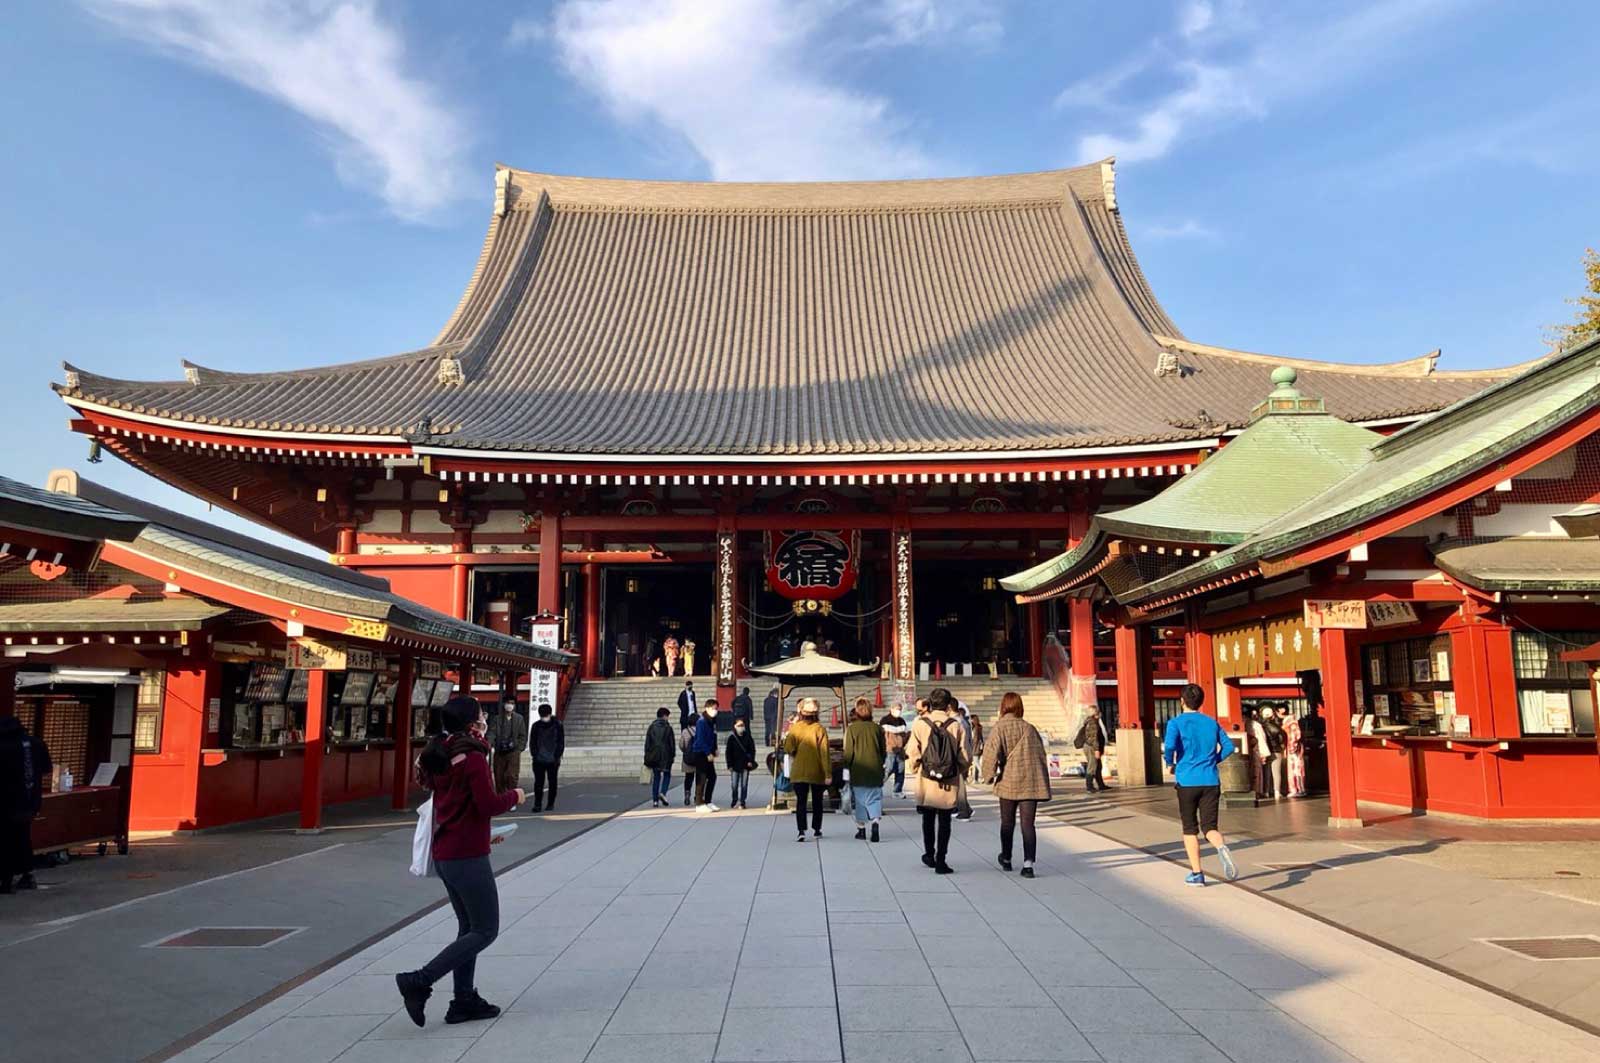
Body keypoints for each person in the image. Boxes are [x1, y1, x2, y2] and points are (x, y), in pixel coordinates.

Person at [396, 696, 522, 1027]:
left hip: (449, 852)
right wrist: (515, 797)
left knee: (468, 928)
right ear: (471, 722)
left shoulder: (440, 752)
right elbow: (487, 804)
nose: (485, 718)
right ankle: (420, 980)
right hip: (468, 855)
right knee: (485, 929)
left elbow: (458, 804)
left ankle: (463, 1000)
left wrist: (485, 833)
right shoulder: (473, 757)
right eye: (481, 715)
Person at [1162, 683, 1239, 887]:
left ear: (1182, 701)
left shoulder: (1175, 723)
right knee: (1209, 827)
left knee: (1189, 829)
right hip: (1211, 780)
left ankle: (1197, 874)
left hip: (1187, 780)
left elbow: (1169, 746)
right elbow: (1230, 747)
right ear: (1201, 702)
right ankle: (1220, 845)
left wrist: (1170, 763)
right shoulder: (1211, 723)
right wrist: (1213, 759)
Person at [982, 692, 1051, 878]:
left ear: (1003, 707)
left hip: (1008, 781)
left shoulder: (999, 728)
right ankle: (1028, 864)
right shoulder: (1030, 728)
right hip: (1030, 781)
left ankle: (1006, 858)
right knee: (1028, 825)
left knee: (1007, 823)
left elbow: (990, 754)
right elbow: (1040, 755)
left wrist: (987, 776)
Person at [906, 687, 968, 873]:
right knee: (945, 820)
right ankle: (941, 859)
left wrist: (915, 767)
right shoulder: (956, 725)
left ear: (930, 704)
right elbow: (965, 754)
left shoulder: (920, 723)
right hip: (948, 779)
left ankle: (929, 854)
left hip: (926, 778)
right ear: (949, 704)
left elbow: (912, 751)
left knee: (928, 818)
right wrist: (958, 770)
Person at [0, 715, 50, 893]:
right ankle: (27, 875)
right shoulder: (36, 744)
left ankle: (6, 879)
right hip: (29, 800)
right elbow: (46, 770)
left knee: (5, 840)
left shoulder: (4, 747)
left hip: (6, 802)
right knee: (22, 836)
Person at [782, 697, 830, 841]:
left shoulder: (795, 728)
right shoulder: (819, 729)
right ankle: (817, 829)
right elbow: (824, 752)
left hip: (799, 770)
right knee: (817, 801)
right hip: (816, 771)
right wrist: (828, 773)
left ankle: (801, 831)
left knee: (801, 802)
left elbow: (788, 748)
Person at [842, 697, 886, 842]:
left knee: (860, 800)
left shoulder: (852, 729)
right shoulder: (877, 728)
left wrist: (846, 770)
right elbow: (883, 750)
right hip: (875, 768)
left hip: (858, 769)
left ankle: (861, 829)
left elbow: (848, 752)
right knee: (874, 799)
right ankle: (875, 822)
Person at [527, 703, 564, 812]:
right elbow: (532, 742)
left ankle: (550, 803)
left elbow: (561, 742)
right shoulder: (536, 726)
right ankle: (538, 804)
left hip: (552, 759)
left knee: (552, 782)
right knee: (539, 783)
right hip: (539, 759)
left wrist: (557, 755)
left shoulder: (558, 725)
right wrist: (535, 754)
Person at [488, 700, 526, 794]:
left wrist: (519, 748)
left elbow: (522, 735)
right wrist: (489, 743)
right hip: (500, 750)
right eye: (508, 703)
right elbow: (492, 733)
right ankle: (501, 797)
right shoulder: (497, 719)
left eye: (512, 703)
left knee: (512, 775)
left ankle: (511, 796)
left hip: (514, 751)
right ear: (504, 705)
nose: (509, 705)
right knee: (499, 775)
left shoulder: (519, 718)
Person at [691, 699, 720, 811]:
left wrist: (715, 749)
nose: (715, 711)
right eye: (713, 708)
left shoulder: (712, 721)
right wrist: (708, 753)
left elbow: (713, 736)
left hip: (709, 752)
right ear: (707, 708)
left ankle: (708, 801)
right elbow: (700, 739)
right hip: (700, 753)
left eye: (716, 708)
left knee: (712, 777)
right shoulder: (701, 721)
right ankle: (699, 803)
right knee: (701, 778)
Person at [644, 706, 676, 808]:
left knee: (656, 777)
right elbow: (672, 743)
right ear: (664, 716)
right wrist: (673, 755)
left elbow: (647, 743)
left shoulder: (652, 727)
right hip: (666, 755)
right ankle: (663, 792)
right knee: (667, 775)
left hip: (654, 755)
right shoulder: (668, 728)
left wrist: (647, 755)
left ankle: (655, 801)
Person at [1074, 705, 1109, 793]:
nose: (1101, 713)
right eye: (1099, 711)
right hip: (1091, 747)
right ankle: (1089, 786)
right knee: (1092, 766)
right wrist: (1097, 749)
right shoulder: (1093, 722)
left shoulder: (1093, 721)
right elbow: (1093, 737)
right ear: (1096, 713)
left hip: (1091, 746)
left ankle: (1101, 784)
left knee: (1098, 766)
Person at [725, 714, 758, 809]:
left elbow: (752, 750)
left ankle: (742, 801)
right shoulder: (732, 738)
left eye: (742, 725)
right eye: (739, 725)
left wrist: (751, 760)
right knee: (734, 784)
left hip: (745, 764)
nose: (741, 727)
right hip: (734, 764)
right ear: (735, 726)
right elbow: (728, 753)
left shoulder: (748, 737)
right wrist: (729, 765)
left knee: (744, 784)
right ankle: (734, 800)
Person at [879, 703, 910, 798]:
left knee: (900, 771)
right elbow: (883, 734)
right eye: (897, 709)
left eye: (900, 709)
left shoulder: (902, 721)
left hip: (900, 750)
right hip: (890, 749)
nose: (898, 711)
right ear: (891, 709)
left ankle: (897, 790)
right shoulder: (885, 720)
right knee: (888, 769)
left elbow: (904, 733)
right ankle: (877, 786)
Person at [953, 703, 975, 821]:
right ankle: (966, 808)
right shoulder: (963, 721)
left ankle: (963, 810)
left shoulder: (957, 722)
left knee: (959, 784)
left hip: (959, 757)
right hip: (963, 755)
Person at [1282, 707, 1307, 798]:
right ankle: (1299, 789)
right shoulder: (1293, 722)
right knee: (1297, 769)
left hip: (1294, 748)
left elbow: (1295, 736)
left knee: (1296, 769)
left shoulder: (1291, 723)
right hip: (1294, 747)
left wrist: (1292, 747)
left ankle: (1297, 789)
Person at [680, 713, 699, 806]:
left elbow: (681, 745)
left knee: (688, 778)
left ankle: (687, 795)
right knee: (699, 778)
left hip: (688, 759)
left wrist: (686, 751)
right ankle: (697, 796)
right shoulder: (701, 730)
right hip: (699, 758)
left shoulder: (685, 731)